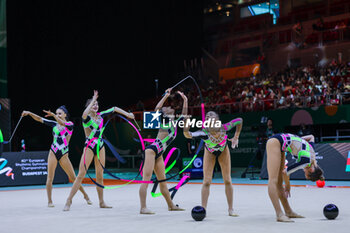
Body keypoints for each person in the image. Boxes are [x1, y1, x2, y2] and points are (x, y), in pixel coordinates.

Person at [63, 90, 134, 211]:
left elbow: (115, 108)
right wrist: (93, 99)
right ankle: (69, 200)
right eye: (93, 104)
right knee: (80, 175)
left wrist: (128, 115)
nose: (95, 106)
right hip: (89, 146)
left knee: (100, 176)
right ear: (89, 106)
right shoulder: (86, 119)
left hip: (100, 146)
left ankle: (101, 202)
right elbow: (84, 114)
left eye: (96, 104)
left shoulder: (100, 116)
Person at [21, 106, 92, 207]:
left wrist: (54, 115)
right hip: (53, 152)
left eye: (60, 113)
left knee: (73, 178)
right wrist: (29, 112)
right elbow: (40, 119)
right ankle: (50, 201)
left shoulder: (70, 124)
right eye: (56, 113)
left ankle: (86, 196)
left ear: (65, 115)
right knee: (50, 178)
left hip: (64, 154)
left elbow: (63, 123)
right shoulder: (54, 124)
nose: (58, 115)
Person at [183, 111, 243, 216]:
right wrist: (186, 128)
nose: (208, 116)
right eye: (207, 116)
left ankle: (230, 209)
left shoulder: (224, 127)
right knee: (206, 181)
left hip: (223, 151)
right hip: (209, 152)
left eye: (211, 115)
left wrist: (236, 136)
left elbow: (239, 120)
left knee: (228, 180)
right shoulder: (204, 132)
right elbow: (188, 135)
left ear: (217, 120)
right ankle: (203, 210)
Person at [139, 88, 187, 214]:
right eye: (166, 108)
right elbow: (157, 109)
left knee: (163, 182)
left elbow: (185, 114)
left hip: (159, 155)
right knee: (146, 180)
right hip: (152, 150)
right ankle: (143, 207)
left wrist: (185, 99)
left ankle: (171, 205)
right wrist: (166, 96)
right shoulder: (164, 122)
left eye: (169, 107)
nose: (168, 107)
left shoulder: (175, 123)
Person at [266, 133, 324, 222]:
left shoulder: (313, 156)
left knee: (279, 182)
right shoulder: (306, 161)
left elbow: (312, 136)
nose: (304, 171)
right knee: (273, 180)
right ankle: (279, 214)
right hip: (275, 142)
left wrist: (296, 140)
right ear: (311, 170)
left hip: (282, 145)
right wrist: (288, 186)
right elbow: (285, 172)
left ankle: (288, 211)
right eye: (306, 173)